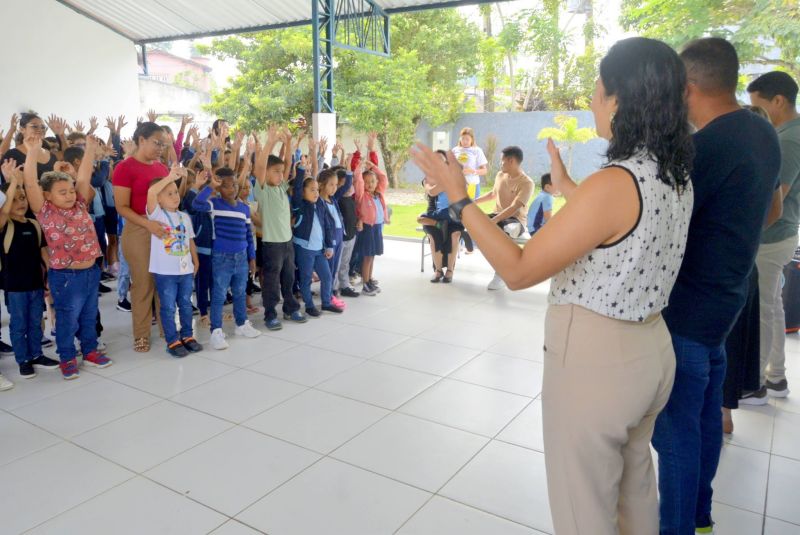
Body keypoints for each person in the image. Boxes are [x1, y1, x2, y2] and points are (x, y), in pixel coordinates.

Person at [413, 37, 695, 535]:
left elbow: (519, 270)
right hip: (651, 351)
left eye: (597, 91)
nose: (591, 102)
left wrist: (460, 200)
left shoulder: (615, 182)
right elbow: (617, 226)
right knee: (634, 495)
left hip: (597, 363)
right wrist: (568, 189)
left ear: (620, 100)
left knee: (583, 510)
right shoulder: (672, 174)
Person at [654, 38, 782, 534]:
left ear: (687, 87)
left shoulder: (702, 148)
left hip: (687, 308)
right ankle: (701, 518)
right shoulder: (760, 129)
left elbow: (655, 228)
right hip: (729, 297)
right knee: (706, 418)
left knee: (676, 432)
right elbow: (770, 210)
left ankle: (679, 527)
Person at [24, 135, 113, 379]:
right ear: (48, 196)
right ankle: (67, 357)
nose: (70, 195)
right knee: (67, 318)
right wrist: (32, 152)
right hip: (66, 276)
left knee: (89, 314)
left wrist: (91, 151)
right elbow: (31, 183)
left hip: (91, 271)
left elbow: (83, 177)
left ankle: (90, 351)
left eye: (71, 190)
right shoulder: (45, 210)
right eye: (62, 192)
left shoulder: (80, 205)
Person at [747, 71, 800, 400]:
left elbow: (774, 199)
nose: (759, 116)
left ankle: (756, 383)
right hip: (781, 234)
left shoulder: (787, 139)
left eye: (760, 107)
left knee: (763, 309)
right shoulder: (788, 133)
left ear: (778, 101)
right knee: (773, 306)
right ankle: (776, 376)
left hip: (772, 235)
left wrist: (745, 234)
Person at [113, 122, 170, 353]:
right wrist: (147, 224)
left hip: (163, 227)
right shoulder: (125, 168)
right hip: (138, 228)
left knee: (164, 281)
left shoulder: (161, 169)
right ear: (142, 140)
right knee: (143, 283)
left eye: (163, 145)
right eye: (157, 143)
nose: (160, 148)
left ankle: (168, 329)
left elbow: (169, 198)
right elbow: (121, 206)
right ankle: (142, 334)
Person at [0, 161, 60, 380]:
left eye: (23, 197)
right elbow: (4, 211)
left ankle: (36, 354)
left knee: (36, 321)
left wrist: (50, 276)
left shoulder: (33, 224)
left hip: (35, 282)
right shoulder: (4, 224)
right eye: (14, 199)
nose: (20, 202)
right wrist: (13, 183)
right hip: (14, 286)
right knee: (18, 324)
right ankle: (23, 360)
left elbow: (43, 253)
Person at [192, 164, 262, 349]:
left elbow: (248, 234)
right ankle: (216, 331)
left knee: (240, 292)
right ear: (219, 188)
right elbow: (195, 204)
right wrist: (210, 187)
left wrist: (251, 257)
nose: (233, 188)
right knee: (218, 295)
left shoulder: (244, 208)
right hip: (221, 257)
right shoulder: (214, 204)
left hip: (241, 257)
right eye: (227, 185)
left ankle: (241, 324)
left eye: (235, 185)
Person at [253, 127, 306, 331]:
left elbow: (289, 164)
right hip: (272, 244)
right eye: (275, 171)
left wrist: (289, 142)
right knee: (272, 281)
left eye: (281, 171)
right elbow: (260, 166)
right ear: (265, 174)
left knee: (289, 277)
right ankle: (270, 313)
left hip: (287, 242)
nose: (280, 174)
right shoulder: (263, 190)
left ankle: (291, 308)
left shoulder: (282, 187)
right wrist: (270, 142)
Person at [146, 167, 203, 358]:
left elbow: (190, 240)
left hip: (185, 270)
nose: (174, 196)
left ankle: (187, 335)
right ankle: (172, 339)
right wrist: (169, 178)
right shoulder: (157, 215)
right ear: (159, 200)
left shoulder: (184, 217)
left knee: (186, 304)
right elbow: (151, 192)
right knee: (168, 306)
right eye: (168, 194)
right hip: (165, 272)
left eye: (176, 192)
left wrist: (195, 260)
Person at [474, 145, 534, 291]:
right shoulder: (500, 175)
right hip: (497, 216)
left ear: (511, 161)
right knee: (475, 222)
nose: (500, 164)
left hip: (515, 220)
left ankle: (500, 275)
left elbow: (515, 207)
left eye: (502, 161)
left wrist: (494, 221)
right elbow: (492, 194)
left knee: (504, 229)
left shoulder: (527, 183)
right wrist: (473, 202)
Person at [290, 164, 343, 316]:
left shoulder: (319, 204)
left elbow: (327, 226)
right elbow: (297, 189)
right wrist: (300, 172)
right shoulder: (299, 205)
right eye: (311, 190)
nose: (316, 193)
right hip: (305, 249)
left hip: (319, 250)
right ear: (303, 192)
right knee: (306, 279)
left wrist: (329, 246)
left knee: (326, 276)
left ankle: (326, 303)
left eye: (316, 189)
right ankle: (309, 305)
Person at [419, 150, 464, 283]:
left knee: (454, 235)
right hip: (435, 215)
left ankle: (450, 271)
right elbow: (430, 189)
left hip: (453, 214)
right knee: (434, 236)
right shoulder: (429, 177)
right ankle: (438, 271)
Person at [353, 134, 389, 297]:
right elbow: (359, 182)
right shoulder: (362, 195)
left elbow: (383, 177)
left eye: (372, 182)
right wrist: (360, 168)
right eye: (367, 182)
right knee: (367, 257)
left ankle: (369, 279)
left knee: (372, 256)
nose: (370, 184)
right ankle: (365, 283)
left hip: (377, 228)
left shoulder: (378, 193)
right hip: (367, 228)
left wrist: (372, 164)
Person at [318, 165, 351, 309]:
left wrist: (349, 167)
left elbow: (347, 185)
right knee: (329, 270)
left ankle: (330, 295)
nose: (334, 188)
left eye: (336, 185)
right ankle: (328, 297)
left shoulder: (333, 199)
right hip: (330, 240)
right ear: (321, 185)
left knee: (334, 268)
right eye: (331, 184)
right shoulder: (319, 202)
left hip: (339, 237)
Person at [0, 112, 56, 183]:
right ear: (22, 129)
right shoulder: (12, 155)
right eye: (34, 126)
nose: (40, 129)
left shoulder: (52, 155)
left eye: (43, 127)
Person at [451, 127, 488, 199]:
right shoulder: (455, 150)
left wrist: (472, 171)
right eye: (463, 138)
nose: (464, 141)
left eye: (467, 139)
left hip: (472, 185)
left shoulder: (477, 150)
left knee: (471, 209)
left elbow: (484, 171)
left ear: (472, 140)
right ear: (460, 139)